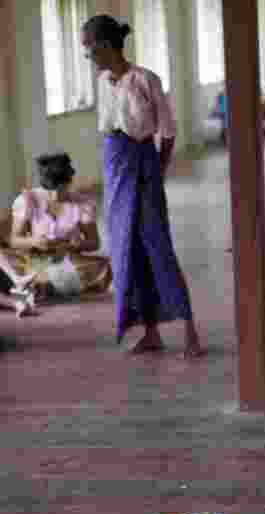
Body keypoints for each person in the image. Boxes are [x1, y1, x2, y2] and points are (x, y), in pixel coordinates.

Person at [81, 15, 203, 358]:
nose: (89, 58)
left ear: (106, 46)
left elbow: (167, 130)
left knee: (156, 244)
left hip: (143, 166)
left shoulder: (145, 79)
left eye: (89, 50)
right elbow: (109, 131)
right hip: (115, 169)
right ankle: (150, 332)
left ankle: (190, 330)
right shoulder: (104, 81)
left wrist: (158, 172)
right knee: (125, 250)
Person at [6, 152, 112, 312]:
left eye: (60, 189)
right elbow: (14, 240)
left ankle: (39, 288)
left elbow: (94, 243)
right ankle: (34, 287)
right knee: (9, 263)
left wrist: (74, 244)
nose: (55, 195)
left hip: (68, 258)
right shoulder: (28, 200)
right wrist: (34, 241)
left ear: (68, 183)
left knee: (108, 268)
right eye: (50, 190)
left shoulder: (82, 204)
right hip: (35, 258)